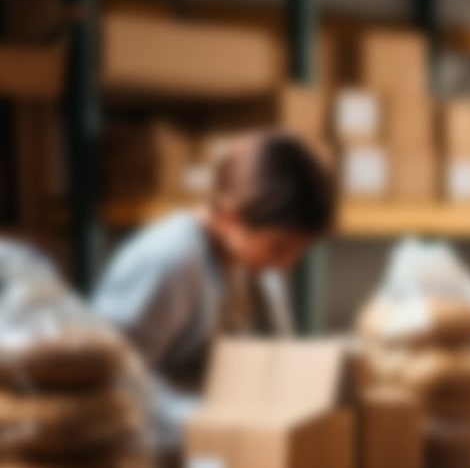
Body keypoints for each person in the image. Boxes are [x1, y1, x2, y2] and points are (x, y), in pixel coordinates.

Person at [93, 131, 335, 445]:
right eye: (279, 247)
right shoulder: (169, 262)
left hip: (233, 454)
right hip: (158, 463)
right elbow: (110, 382)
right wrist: (212, 420)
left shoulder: (259, 271)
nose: (288, 263)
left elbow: (282, 364)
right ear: (229, 218)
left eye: (300, 250)